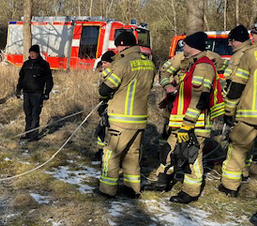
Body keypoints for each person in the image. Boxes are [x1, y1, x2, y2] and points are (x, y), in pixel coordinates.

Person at [150, 32, 223, 204]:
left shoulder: (203, 66)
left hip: (193, 125)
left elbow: (200, 98)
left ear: (192, 46)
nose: (183, 48)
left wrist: (188, 125)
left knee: (192, 157)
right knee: (168, 150)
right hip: (182, 123)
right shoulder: (193, 63)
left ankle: (190, 192)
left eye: (186, 45)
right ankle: (162, 181)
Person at [96, 31, 155, 199]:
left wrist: (105, 74)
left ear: (123, 45)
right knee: (132, 155)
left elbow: (105, 90)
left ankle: (107, 190)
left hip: (121, 118)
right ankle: (132, 189)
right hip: (140, 118)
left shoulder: (123, 63)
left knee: (111, 154)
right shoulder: (148, 63)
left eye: (118, 46)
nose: (117, 50)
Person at [219, 43, 257, 197]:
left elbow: (237, 85)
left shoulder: (251, 54)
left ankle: (230, 186)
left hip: (250, 112)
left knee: (238, 148)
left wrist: (229, 109)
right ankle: (245, 173)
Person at [15, 44, 53, 142]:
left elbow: (49, 80)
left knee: (35, 114)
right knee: (27, 114)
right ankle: (27, 134)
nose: (31, 55)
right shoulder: (26, 64)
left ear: (37, 53)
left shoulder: (44, 65)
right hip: (26, 92)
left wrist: (47, 92)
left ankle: (34, 136)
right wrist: (18, 90)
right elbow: (21, 78)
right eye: (30, 53)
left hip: (37, 93)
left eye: (33, 53)